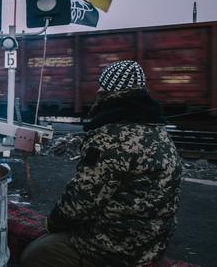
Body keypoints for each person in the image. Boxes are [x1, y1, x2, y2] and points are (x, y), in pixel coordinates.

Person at [21, 60, 182, 267]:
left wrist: (51, 223)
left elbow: (81, 200)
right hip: (156, 239)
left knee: (35, 254)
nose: (97, 89)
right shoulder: (158, 130)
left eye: (102, 84)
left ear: (110, 90)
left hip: (119, 244)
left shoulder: (110, 136)